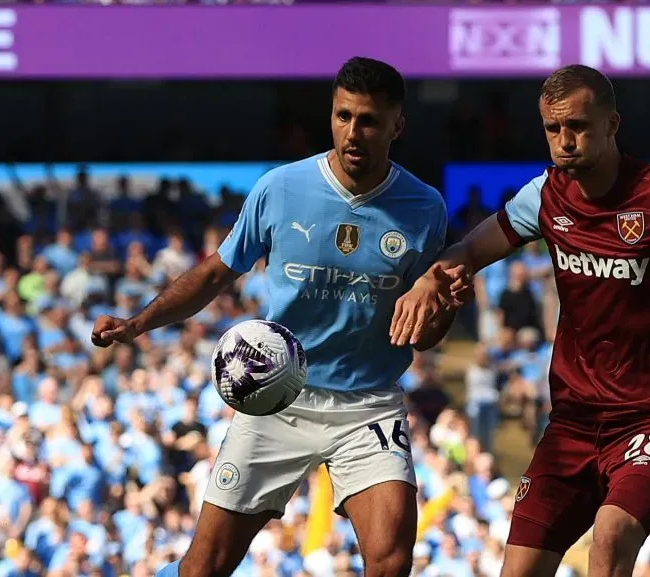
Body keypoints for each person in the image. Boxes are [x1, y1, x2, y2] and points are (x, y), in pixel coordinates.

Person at [390, 65, 650, 577]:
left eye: (578, 126)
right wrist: (430, 279)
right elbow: (468, 250)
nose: (564, 141)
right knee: (519, 568)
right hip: (572, 420)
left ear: (612, 124)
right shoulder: (546, 196)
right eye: (553, 129)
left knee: (611, 534)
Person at [92, 57, 459, 577]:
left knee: (390, 562)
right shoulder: (280, 188)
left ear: (397, 126)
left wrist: (444, 305)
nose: (353, 132)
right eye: (342, 116)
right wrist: (138, 323)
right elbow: (216, 275)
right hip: (276, 396)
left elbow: (422, 334)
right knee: (205, 566)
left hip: (368, 405)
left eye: (369, 120)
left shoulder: (424, 207)